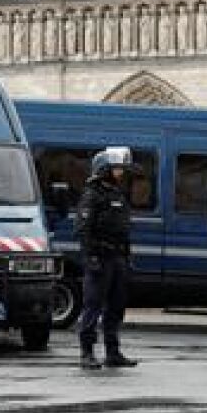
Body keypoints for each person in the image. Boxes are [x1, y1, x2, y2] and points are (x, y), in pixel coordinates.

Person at [74, 146, 137, 370]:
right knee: (93, 306)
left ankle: (113, 352)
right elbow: (83, 229)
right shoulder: (93, 195)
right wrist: (90, 256)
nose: (121, 173)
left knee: (116, 307)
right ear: (104, 169)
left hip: (117, 257)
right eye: (117, 169)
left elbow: (124, 229)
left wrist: (127, 257)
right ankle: (87, 353)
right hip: (100, 256)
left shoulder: (117, 194)